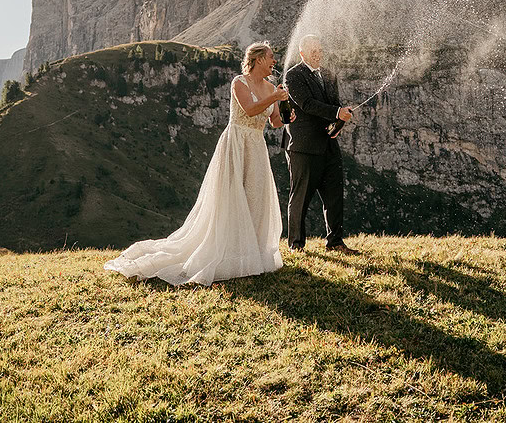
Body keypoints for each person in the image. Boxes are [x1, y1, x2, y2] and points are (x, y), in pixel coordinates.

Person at [104, 42, 292, 285]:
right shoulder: (239, 83)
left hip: (256, 146)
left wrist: (286, 112)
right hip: (236, 143)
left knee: (256, 197)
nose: (274, 61)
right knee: (232, 197)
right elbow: (249, 108)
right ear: (257, 59)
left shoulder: (269, 87)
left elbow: (275, 122)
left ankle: (251, 253)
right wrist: (274, 97)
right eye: (270, 56)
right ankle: (230, 251)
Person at [282, 34, 359, 254]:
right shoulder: (293, 75)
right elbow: (307, 104)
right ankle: (296, 244)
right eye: (312, 51)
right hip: (303, 148)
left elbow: (336, 106)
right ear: (303, 53)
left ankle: (335, 242)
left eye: (320, 50)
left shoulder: (328, 74)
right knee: (300, 197)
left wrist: (339, 124)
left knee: (334, 195)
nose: (318, 54)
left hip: (328, 145)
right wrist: (337, 112)